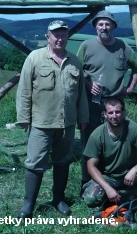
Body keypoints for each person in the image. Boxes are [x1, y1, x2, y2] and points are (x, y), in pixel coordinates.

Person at [15, 20, 89, 218]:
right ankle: (29, 204)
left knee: (63, 161)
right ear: (48, 37)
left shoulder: (74, 61)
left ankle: (59, 199)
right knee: (34, 162)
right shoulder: (35, 58)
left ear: (67, 37)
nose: (60, 38)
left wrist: (83, 118)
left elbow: (81, 94)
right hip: (41, 122)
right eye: (56, 34)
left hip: (68, 123)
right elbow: (23, 89)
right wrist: (23, 117)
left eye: (63, 34)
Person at [77, 10, 137, 188]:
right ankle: (87, 182)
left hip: (115, 104)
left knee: (118, 141)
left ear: (113, 26)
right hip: (92, 103)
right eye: (100, 24)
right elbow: (77, 71)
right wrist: (88, 84)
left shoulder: (123, 47)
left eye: (107, 24)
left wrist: (129, 88)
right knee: (90, 142)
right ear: (95, 26)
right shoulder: (86, 46)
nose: (104, 27)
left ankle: (115, 179)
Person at [82, 98, 137, 215]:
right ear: (105, 115)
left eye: (118, 112)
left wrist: (135, 170)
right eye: (110, 113)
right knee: (91, 199)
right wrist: (107, 188)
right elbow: (91, 167)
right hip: (108, 176)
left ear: (123, 112)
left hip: (130, 175)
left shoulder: (133, 129)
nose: (114, 116)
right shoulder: (97, 134)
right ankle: (109, 201)